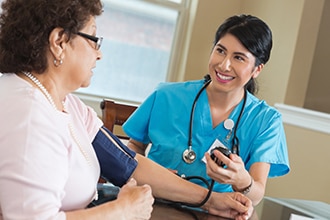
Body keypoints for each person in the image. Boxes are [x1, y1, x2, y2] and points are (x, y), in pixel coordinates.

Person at [0, 1, 253, 219]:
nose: (99, 54)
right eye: (93, 40)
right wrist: (122, 212)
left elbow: (124, 162)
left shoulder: (64, 102)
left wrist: (210, 200)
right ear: (59, 42)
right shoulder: (30, 116)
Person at [123, 14, 290, 206]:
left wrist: (242, 180)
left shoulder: (266, 120)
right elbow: (134, 146)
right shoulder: (166, 95)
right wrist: (148, 176)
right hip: (153, 204)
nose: (224, 65)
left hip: (216, 212)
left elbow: (256, 194)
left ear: (257, 69)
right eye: (220, 51)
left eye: (238, 58)